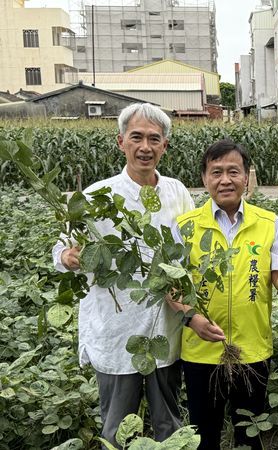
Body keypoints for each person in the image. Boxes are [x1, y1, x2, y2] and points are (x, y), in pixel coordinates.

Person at [52, 103, 195, 446]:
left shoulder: (177, 192)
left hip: (164, 327)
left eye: (154, 139)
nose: (145, 147)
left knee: (169, 423)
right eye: (136, 137)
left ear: (165, 146)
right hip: (118, 328)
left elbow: (189, 252)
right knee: (116, 426)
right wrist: (69, 257)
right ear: (121, 142)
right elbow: (61, 251)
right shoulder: (98, 196)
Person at [170, 139, 278, 450]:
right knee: (204, 437)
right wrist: (191, 318)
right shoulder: (185, 226)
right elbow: (171, 285)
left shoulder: (268, 222)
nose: (225, 180)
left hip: (252, 349)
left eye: (234, 171)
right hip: (200, 352)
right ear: (204, 178)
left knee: (251, 435)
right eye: (216, 172)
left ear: (247, 177)